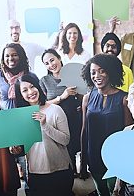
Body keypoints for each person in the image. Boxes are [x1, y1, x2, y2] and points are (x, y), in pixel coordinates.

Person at [80, 54, 133, 195]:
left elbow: (128, 134)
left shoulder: (124, 99)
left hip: (115, 157)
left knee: (114, 191)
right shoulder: (87, 98)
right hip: (94, 156)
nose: (96, 75)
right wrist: (83, 163)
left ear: (110, 71)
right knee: (101, 191)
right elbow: (84, 131)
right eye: (93, 72)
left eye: (101, 71)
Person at [0, 43, 38, 195]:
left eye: (14, 54)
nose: (11, 58)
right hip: (4, 126)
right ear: (3, 59)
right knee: (7, 170)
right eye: (7, 56)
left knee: (29, 166)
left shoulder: (31, 76)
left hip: (26, 125)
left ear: (21, 56)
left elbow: (39, 99)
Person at [14, 74, 74, 196]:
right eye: (25, 90)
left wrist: (45, 125)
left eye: (32, 87)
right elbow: (24, 148)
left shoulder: (55, 109)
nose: (30, 92)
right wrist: (17, 149)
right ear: (21, 95)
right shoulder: (20, 117)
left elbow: (66, 140)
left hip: (60, 169)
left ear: (38, 87)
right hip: (35, 171)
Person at [40, 48, 82, 177]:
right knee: (64, 147)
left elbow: (84, 92)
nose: (51, 65)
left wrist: (81, 103)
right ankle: (70, 172)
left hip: (75, 116)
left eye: (52, 60)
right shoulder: (44, 80)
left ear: (59, 58)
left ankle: (82, 170)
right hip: (56, 119)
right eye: (47, 63)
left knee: (79, 144)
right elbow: (43, 104)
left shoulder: (73, 74)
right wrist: (62, 97)